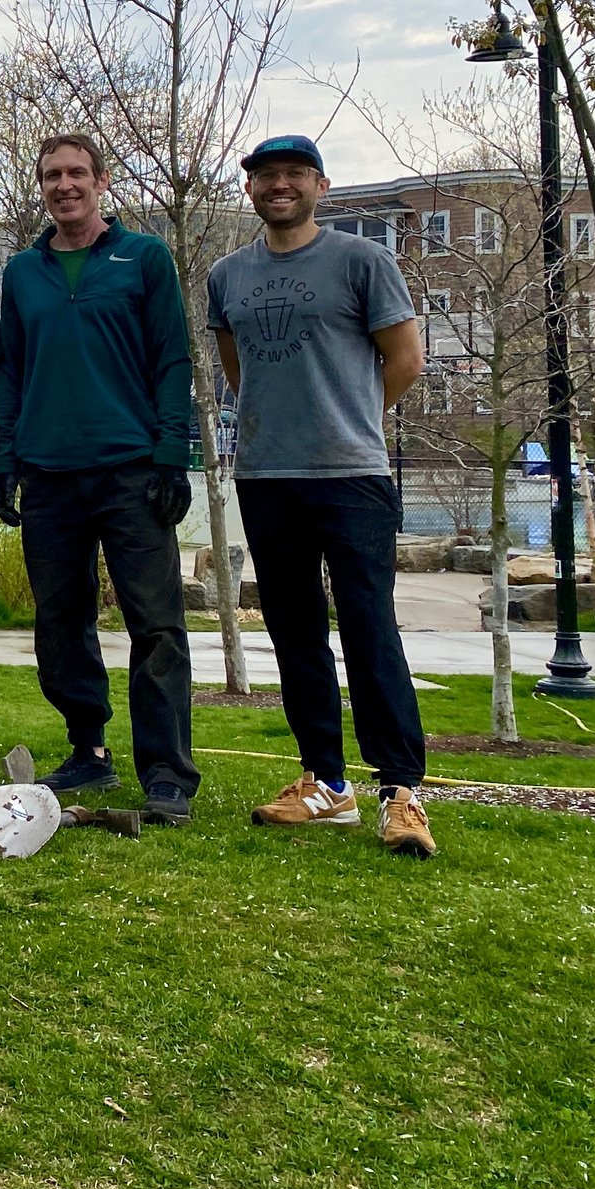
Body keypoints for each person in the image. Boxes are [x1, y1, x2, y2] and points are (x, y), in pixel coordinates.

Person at [209, 135, 434, 857]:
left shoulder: (363, 261)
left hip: (351, 476)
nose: (279, 185)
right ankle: (325, 784)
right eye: (265, 176)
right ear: (250, 190)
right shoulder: (226, 275)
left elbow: (404, 361)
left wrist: (349, 420)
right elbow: (238, 373)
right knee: (296, 633)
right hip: (267, 477)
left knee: (370, 628)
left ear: (320, 185)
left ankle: (401, 793)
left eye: (293, 175)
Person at [0, 134, 200, 822]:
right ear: (42, 186)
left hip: (131, 471)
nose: (64, 184)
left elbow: (172, 359)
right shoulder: (23, 271)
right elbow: (14, 371)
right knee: (60, 621)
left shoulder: (143, 258)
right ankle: (90, 750)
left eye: (77, 172)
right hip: (50, 474)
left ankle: (166, 771)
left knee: (156, 624)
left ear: (102, 181)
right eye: (52, 174)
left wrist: (174, 452)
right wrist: (8, 458)